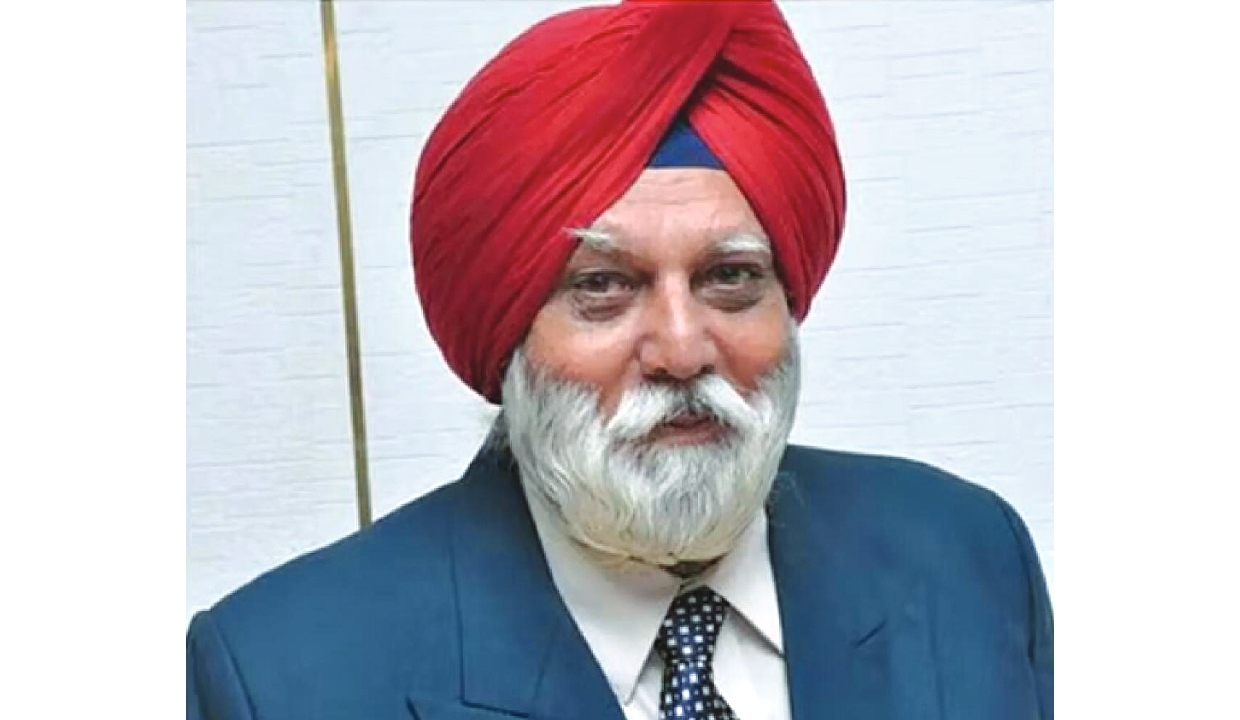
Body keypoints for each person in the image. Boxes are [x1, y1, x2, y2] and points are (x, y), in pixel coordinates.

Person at [187, 2, 1054, 719]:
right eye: (602, 286)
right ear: (506, 330)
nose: (681, 348)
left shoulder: (967, 557)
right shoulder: (284, 676)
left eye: (729, 278)